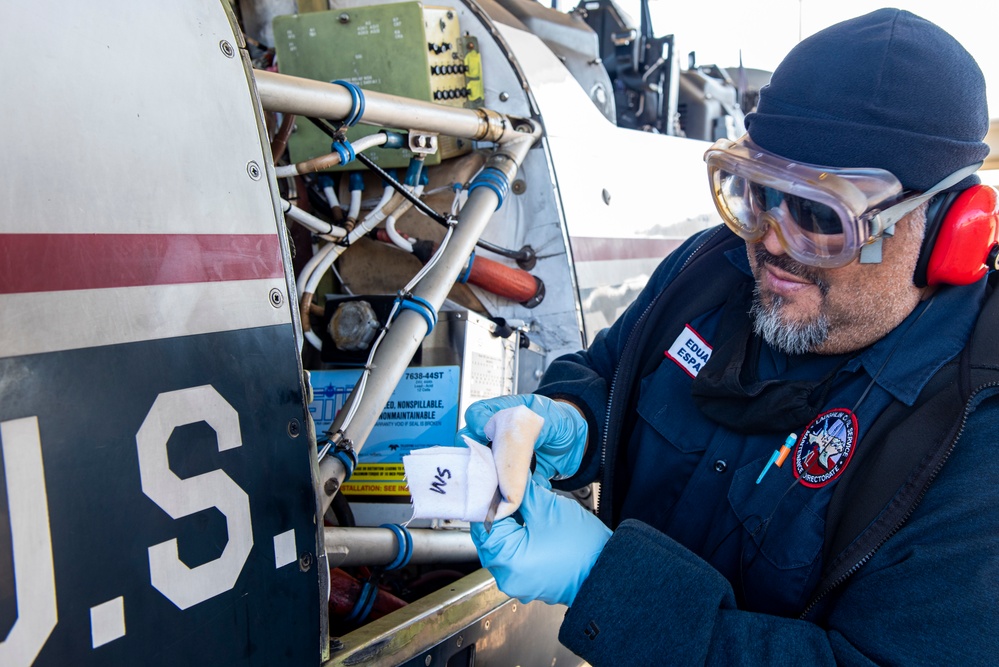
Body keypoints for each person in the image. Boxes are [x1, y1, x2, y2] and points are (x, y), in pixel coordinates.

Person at [459, 8, 999, 665]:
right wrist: (571, 421)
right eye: (752, 193)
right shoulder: (707, 272)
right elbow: (611, 369)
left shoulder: (974, 433)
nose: (769, 242)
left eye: (815, 213)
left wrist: (602, 576)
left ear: (947, 231)